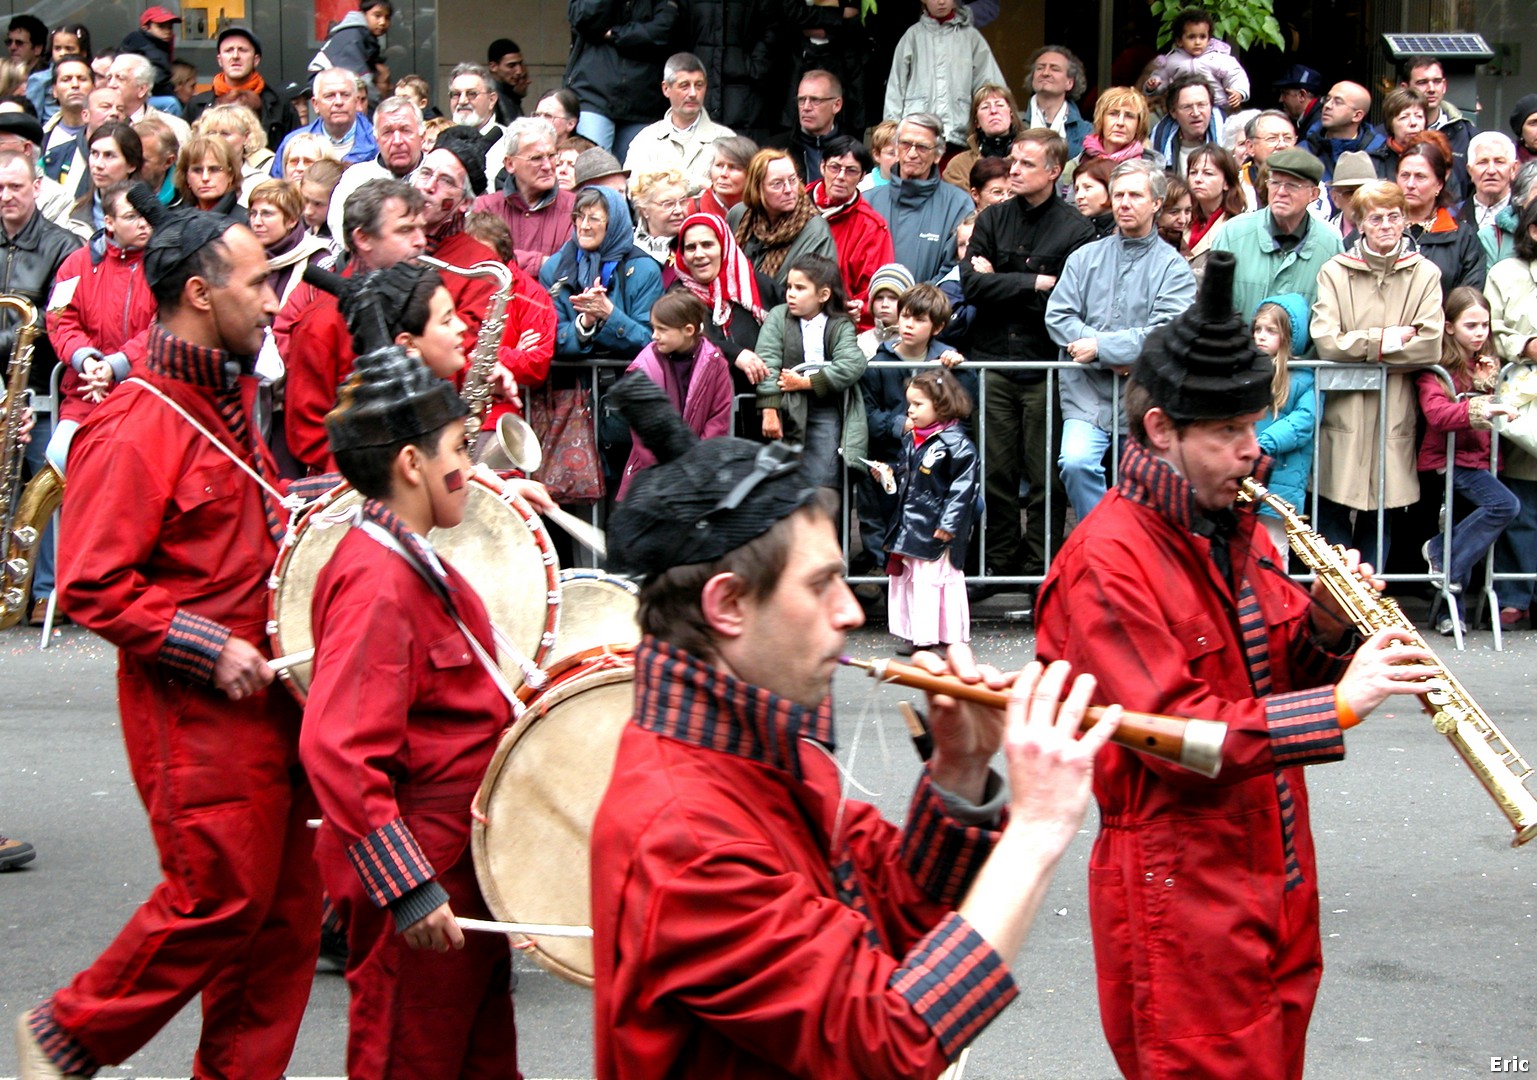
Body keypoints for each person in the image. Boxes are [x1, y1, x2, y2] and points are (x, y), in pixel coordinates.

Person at [589, 366, 1119, 1079]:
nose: (848, 612)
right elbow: (888, 1043)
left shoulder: (774, 753)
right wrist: (1036, 829)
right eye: (819, 585)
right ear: (727, 606)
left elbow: (892, 924)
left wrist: (958, 775)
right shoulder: (682, 837)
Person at [1035, 249, 1441, 1080]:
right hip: (1179, 879)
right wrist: (1338, 707)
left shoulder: (1234, 525)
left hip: (1276, 862)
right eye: (1226, 433)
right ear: (1161, 431)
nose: (1249, 454)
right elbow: (1173, 736)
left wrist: (1331, 627)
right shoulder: (1104, 562)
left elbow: (1275, 666)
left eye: (1252, 429)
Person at [16, 185, 328, 1080]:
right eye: (256, 283)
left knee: (281, 919)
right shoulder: (134, 419)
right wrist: (208, 646)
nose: (273, 301)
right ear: (200, 293)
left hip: (268, 700)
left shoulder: (226, 396)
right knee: (218, 898)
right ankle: (68, 1033)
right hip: (193, 706)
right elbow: (89, 584)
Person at [299, 334, 520, 1080]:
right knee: (408, 1062)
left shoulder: (407, 556)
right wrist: (408, 884)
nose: (472, 468)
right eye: (461, 446)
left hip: (457, 866)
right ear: (410, 464)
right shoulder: (376, 581)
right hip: (423, 878)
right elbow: (339, 747)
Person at [962, 127, 1094, 596]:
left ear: (1054, 171)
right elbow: (972, 287)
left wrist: (1005, 281)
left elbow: (1068, 301)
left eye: (1025, 163)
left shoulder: (1077, 228)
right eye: (1012, 161)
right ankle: (996, 563)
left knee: (1042, 475)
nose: (1013, 170)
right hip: (993, 359)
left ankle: (1041, 566)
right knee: (995, 470)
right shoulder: (992, 219)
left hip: (1044, 363)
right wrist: (1036, 283)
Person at [1047, 159, 1196, 521]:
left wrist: (1100, 348)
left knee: (1150, 482)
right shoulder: (1084, 258)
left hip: (1145, 394)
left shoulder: (1174, 268)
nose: (1125, 203)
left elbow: (1168, 331)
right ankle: (1103, 537)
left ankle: (1137, 553)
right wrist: (1104, 352)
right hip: (1087, 393)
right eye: (1118, 195)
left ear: (1157, 203)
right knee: (1076, 462)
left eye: (1135, 195)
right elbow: (1058, 316)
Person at [1310, 180, 1445, 566]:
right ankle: (1339, 611)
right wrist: (1385, 340)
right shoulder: (1335, 272)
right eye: (1376, 218)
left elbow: (1430, 344)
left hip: (1395, 410)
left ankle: (1371, 608)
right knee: (1333, 511)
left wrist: (1362, 347)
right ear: (1360, 224)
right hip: (1344, 409)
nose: (1386, 225)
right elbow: (1328, 343)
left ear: (1404, 220)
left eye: (1394, 216)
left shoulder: (1425, 274)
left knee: (1381, 515)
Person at [1418, 286, 1521, 629]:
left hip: (1481, 457)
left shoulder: (1488, 365)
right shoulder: (1437, 369)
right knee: (1503, 506)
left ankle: (1451, 613)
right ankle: (1438, 552)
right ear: (1449, 327)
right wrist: (1483, 406)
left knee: (1467, 535)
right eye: (1470, 326)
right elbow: (1438, 414)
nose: (1479, 334)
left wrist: (1489, 386)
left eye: (1484, 326)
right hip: (1452, 458)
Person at [43, 180, 156, 478]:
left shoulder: (166, 263)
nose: (144, 223)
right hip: (85, 391)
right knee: (58, 456)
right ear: (109, 221)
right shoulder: (74, 265)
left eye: (147, 214)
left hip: (144, 392)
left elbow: (166, 325)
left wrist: (117, 365)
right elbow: (58, 319)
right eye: (132, 216)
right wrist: (86, 359)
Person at [883, 365, 977, 652]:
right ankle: (916, 633)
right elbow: (910, 474)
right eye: (909, 403)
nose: (909, 410)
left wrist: (949, 524)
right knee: (914, 580)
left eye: (917, 404)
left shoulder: (957, 444)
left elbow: (963, 490)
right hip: (912, 523)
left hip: (936, 527)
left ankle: (939, 636)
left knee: (935, 581)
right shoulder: (913, 439)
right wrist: (890, 472)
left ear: (941, 405)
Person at [753, 252, 868, 489]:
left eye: (800, 288)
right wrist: (769, 409)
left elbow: (852, 363)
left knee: (824, 480)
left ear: (823, 294)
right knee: (783, 481)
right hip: (787, 407)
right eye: (789, 287)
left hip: (826, 408)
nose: (791, 294)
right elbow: (767, 360)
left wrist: (807, 382)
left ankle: (827, 523)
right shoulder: (778, 316)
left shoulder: (839, 323)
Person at [618, 288, 732, 497]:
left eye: (662, 329)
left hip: (699, 476)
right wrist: (671, 474)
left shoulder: (716, 364)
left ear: (688, 330)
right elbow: (644, 432)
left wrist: (696, 466)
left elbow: (718, 419)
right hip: (653, 477)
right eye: (653, 328)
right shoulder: (643, 367)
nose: (654, 336)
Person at [1212, 147, 1340, 327]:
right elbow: (1213, 308)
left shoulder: (1330, 243)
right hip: (1239, 352)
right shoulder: (1232, 234)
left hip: (1304, 356)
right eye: (1275, 182)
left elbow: (1333, 316)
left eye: (1292, 185)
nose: (1281, 192)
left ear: (1313, 194)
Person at [1484, 198, 1537, 626]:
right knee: (1522, 507)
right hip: (1522, 400)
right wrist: (1525, 345)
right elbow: (1489, 328)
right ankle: (1515, 593)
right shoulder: (1505, 273)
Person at [541, 185, 664, 360]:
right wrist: (585, 323)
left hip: (628, 383)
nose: (584, 226)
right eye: (579, 217)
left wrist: (610, 314)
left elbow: (652, 342)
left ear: (613, 223)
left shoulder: (644, 269)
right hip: (571, 384)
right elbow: (549, 340)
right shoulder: (556, 268)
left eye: (593, 219)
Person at [883, 0, 1004, 155]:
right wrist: (891, 132)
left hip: (960, 135)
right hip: (916, 136)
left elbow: (989, 84)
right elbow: (896, 88)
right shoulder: (912, 36)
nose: (941, 2)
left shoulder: (971, 37)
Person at [563, 0, 679, 159]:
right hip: (593, 93)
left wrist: (614, 34)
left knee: (638, 177)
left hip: (643, 100)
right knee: (592, 167)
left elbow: (663, 31)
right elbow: (583, 17)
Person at [865, 113, 973, 283]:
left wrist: (916, 304)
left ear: (938, 154)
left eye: (922, 147)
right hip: (871, 307)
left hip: (930, 308)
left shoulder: (958, 204)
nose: (912, 154)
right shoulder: (868, 202)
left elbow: (954, 269)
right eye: (906, 144)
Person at [727, 148, 837, 306]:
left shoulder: (815, 231)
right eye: (777, 184)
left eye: (793, 180)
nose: (788, 190)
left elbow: (818, 293)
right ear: (757, 188)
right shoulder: (740, 215)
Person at [810, 134, 894, 330]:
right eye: (834, 167)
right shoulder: (795, 204)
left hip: (837, 326)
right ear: (822, 166)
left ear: (863, 176)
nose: (840, 176)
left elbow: (875, 292)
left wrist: (855, 309)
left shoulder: (871, 226)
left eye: (851, 171)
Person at [472, 116, 575, 276]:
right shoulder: (485, 207)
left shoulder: (575, 208)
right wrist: (541, 262)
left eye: (552, 156)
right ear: (510, 164)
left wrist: (508, 260)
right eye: (536, 158)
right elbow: (479, 260)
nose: (548, 166)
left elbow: (571, 267)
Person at [623, 52, 736, 191]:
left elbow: (734, 194)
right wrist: (697, 184)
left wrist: (663, 185)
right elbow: (634, 190)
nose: (693, 93)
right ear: (666, 89)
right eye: (684, 86)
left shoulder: (726, 139)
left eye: (699, 85)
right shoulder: (645, 140)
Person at [1397, 132, 1485, 298]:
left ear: (1439, 183)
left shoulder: (1463, 238)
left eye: (1420, 177)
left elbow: (1468, 298)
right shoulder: (1378, 228)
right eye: (1405, 175)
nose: (1410, 184)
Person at [325, 94, 425, 239]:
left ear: (422, 135)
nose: (397, 141)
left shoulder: (438, 175)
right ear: (376, 139)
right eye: (388, 132)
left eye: (405, 130)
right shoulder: (355, 179)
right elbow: (341, 230)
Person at [184, 26, 300, 152]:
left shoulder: (281, 106)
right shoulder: (197, 105)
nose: (235, 56)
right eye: (228, 50)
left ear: (256, 60)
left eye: (242, 50)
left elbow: (294, 151)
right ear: (220, 60)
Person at [272, 68, 378, 174]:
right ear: (315, 104)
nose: (339, 102)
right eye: (330, 96)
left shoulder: (378, 140)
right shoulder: (293, 143)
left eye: (345, 95)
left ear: (357, 101)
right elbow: (277, 188)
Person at [1143, 6, 1249, 109]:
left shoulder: (1219, 58)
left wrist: (1239, 91)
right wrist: (1154, 85)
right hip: (1182, 108)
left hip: (1214, 107)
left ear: (1209, 39)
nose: (1198, 42)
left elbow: (1236, 75)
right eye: (1191, 37)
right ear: (1179, 41)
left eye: (1202, 37)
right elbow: (1161, 78)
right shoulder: (1172, 60)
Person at [1400, 55, 1474, 201]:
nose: (1431, 89)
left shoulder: (1467, 134)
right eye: (1422, 82)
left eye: (1437, 81)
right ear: (1405, 88)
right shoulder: (1385, 137)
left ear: (1444, 85)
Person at [1064, 86, 1163, 188]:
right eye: (1113, 114)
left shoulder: (1152, 172)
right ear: (1101, 120)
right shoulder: (1075, 166)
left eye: (1129, 116)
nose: (1120, 122)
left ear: (1139, 125)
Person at [764, 69, 845, 182]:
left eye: (815, 100)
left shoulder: (852, 152)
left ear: (836, 105)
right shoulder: (773, 149)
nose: (806, 107)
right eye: (801, 100)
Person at [940, 83, 1024, 190]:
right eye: (985, 107)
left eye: (999, 105)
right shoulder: (959, 165)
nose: (993, 111)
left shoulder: (1031, 158)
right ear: (976, 122)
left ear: (1011, 115)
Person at [313, 0, 391, 105]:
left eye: (387, 17)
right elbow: (360, 82)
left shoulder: (363, 35)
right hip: (323, 82)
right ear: (363, 14)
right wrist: (378, 108)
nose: (382, 22)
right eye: (377, 16)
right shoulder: (352, 37)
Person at [1184, 143, 1244, 275]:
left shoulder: (1237, 227)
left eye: (1208, 173)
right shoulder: (1180, 220)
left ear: (1227, 183)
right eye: (1193, 173)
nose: (1198, 179)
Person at [106, 51, 190, 145]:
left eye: (120, 78)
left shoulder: (174, 128)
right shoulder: (99, 122)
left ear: (142, 89)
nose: (111, 85)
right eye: (109, 78)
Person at [1023, 47, 1092, 158]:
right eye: (1040, 68)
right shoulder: (1013, 124)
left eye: (1054, 69)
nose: (1045, 73)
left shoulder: (1086, 132)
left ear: (1069, 82)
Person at [1149, 71, 1223, 174]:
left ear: (1211, 107)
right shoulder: (1158, 142)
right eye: (1187, 107)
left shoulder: (1229, 138)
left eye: (1201, 105)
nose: (1196, 113)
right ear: (1173, 112)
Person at [1303, 81, 1374, 184]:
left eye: (1338, 102)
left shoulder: (1378, 153)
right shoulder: (1304, 151)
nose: (1327, 105)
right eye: (1327, 99)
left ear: (1357, 116)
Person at [118, 7, 181, 118]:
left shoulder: (157, 44)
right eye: (161, 26)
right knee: (171, 103)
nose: (167, 31)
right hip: (137, 96)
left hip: (140, 94)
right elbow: (159, 80)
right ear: (146, 28)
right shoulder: (148, 45)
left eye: (170, 27)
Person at [174, 133, 245, 219]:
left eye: (214, 169)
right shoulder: (173, 219)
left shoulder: (246, 221)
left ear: (230, 175)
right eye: (197, 170)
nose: (205, 178)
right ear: (186, 176)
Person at [1365, 86, 1426, 182]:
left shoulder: (1436, 158)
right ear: (1391, 124)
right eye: (1404, 117)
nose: (1413, 123)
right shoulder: (1373, 161)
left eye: (1419, 116)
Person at [630, 167, 691, 262]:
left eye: (682, 201)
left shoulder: (693, 245)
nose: (678, 210)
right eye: (668, 204)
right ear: (644, 210)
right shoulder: (629, 243)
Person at [1461, 132, 1518, 233]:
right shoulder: (1451, 215)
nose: (1491, 170)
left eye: (1499, 162)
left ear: (1513, 169)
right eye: (1482, 162)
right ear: (1470, 171)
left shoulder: (1528, 216)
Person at [698, 133, 755, 217]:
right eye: (719, 165)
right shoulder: (690, 209)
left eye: (733, 167)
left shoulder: (765, 210)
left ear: (751, 172)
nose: (723, 174)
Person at [487, 38, 529, 124]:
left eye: (520, 64)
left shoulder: (509, 93)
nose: (519, 71)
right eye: (511, 65)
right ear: (493, 67)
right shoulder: (487, 97)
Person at [1071, 156, 1115, 238]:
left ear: (1109, 187)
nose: (1079, 196)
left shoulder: (1127, 231)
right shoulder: (1076, 229)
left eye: (1088, 187)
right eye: (1076, 190)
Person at [1274, 63, 1324, 135]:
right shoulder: (1311, 119)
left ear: (1301, 96)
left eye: (1284, 93)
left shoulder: (1318, 125)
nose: (1280, 99)